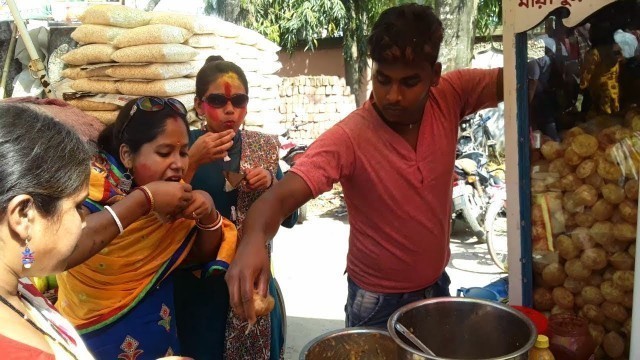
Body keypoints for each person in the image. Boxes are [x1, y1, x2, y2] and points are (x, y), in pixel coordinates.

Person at [225, 3, 503, 329]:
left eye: (409, 82)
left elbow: (518, 79)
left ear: (435, 75)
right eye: (383, 79)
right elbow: (279, 199)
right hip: (376, 302)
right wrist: (252, 242)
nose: (392, 95)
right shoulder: (350, 137)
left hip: (436, 287)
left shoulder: (452, 95)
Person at [55, 97, 237, 359]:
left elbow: (196, 256)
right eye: (164, 153)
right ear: (127, 155)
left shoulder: (173, 195)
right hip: (94, 339)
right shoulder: (88, 190)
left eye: (184, 152)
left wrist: (208, 216)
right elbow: (65, 246)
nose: (178, 163)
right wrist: (143, 200)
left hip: (163, 336)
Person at [173, 56, 296, 360]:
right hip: (200, 290)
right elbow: (161, 213)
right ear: (199, 105)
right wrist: (191, 162)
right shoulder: (180, 146)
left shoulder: (262, 148)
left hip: (252, 283)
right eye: (218, 100)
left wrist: (270, 183)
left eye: (238, 100)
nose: (229, 109)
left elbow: (290, 216)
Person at [0, 102, 96, 359]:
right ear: (23, 215)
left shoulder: (16, 286)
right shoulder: (20, 352)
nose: (84, 220)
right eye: (78, 206)